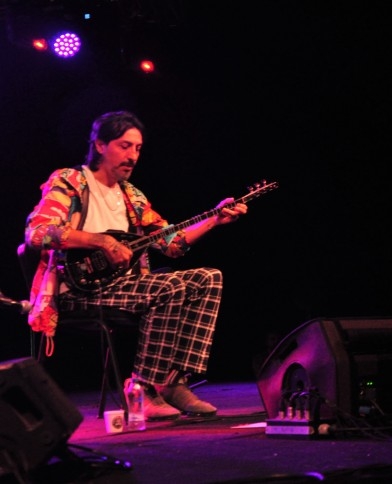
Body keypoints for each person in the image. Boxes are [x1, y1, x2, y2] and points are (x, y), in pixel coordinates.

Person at [24, 110, 248, 421]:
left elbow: (172, 244)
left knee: (208, 278)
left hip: (123, 286)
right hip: (77, 288)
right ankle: (142, 388)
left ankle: (172, 380)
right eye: (124, 146)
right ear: (100, 145)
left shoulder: (132, 196)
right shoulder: (71, 181)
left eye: (138, 148)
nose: (133, 156)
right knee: (169, 286)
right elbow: (37, 233)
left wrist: (215, 219)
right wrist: (99, 241)